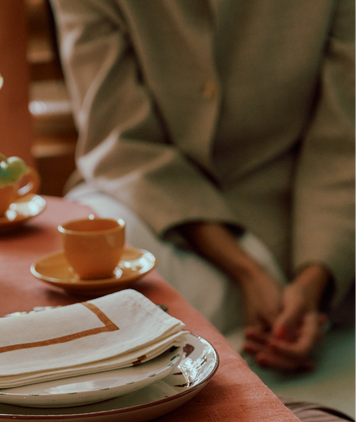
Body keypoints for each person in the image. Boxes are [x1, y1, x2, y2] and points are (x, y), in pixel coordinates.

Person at [49, 0, 356, 372]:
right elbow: (120, 141)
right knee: (86, 278)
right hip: (147, 202)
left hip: (288, 224)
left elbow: (342, 142)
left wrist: (313, 282)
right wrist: (247, 272)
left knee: (133, 328)